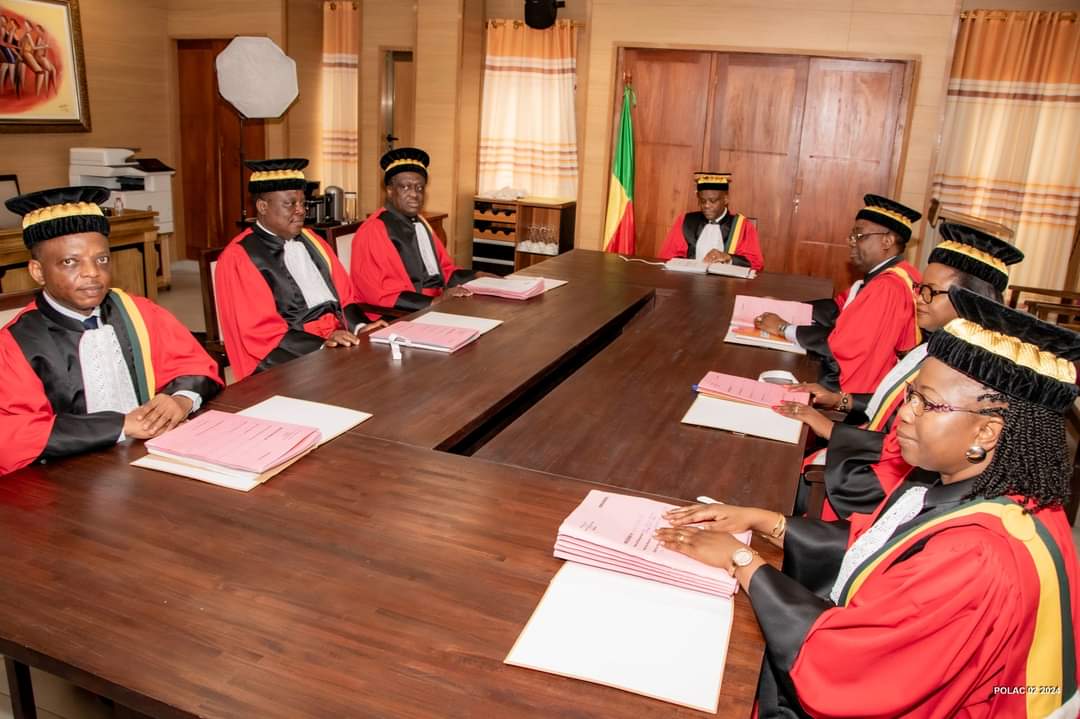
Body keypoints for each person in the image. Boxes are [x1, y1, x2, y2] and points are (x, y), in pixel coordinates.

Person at [657, 286, 1080, 718]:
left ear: (986, 433)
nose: (905, 414)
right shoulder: (997, 493)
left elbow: (847, 666)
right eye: (911, 395)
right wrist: (765, 520)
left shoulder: (977, 555)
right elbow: (885, 548)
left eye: (927, 404)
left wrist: (742, 560)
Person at [775, 222, 1024, 519]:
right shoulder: (937, 344)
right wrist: (841, 399)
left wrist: (830, 429)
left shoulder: (969, 371)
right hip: (875, 451)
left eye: (931, 292)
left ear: (970, 301)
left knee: (778, 476)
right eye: (920, 288)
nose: (918, 299)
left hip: (895, 483)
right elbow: (895, 407)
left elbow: (914, 444)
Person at [0, 186, 223, 476]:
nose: (92, 272)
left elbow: (195, 364)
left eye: (102, 259)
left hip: (151, 458)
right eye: (70, 262)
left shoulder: (136, 311)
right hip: (68, 479)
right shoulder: (17, 343)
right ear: (38, 271)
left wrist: (180, 400)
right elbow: (14, 433)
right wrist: (120, 425)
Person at [215, 158, 383, 381]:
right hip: (285, 361)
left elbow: (345, 297)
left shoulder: (313, 240)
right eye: (290, 204)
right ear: (263, 207)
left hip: (338, 343)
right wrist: (323, 346)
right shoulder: (241, 257)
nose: (301, 210)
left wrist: (361, 327)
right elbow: (261, 334)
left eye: (303, 203)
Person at [754, 195, 922, 393]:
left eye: (859, 235)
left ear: (887, 241)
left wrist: (783, 328)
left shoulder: (887, 287)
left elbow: (844, 344)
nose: (850, 242)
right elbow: (838, 308)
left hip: (856, 392)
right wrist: (787, 308)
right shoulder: (895, 273)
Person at [350, 147, 488, 313]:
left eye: (419, 188)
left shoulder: (420, 222)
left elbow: (444, 271)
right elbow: (378, 292)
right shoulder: (375, 230)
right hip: (399, 314)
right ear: (390, 191)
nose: (414, 195)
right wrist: (435, 301)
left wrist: (479, 276)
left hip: (436, 303)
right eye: (405, 187)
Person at [657, 172, 764, 271]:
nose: (706, 205)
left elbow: (756, 264)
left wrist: (729, 258)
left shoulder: (742, 226)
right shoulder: (686, 221)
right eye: (702, 201)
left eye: (713, 201)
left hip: (726, 283)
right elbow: (666, 257)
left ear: (726, 199)